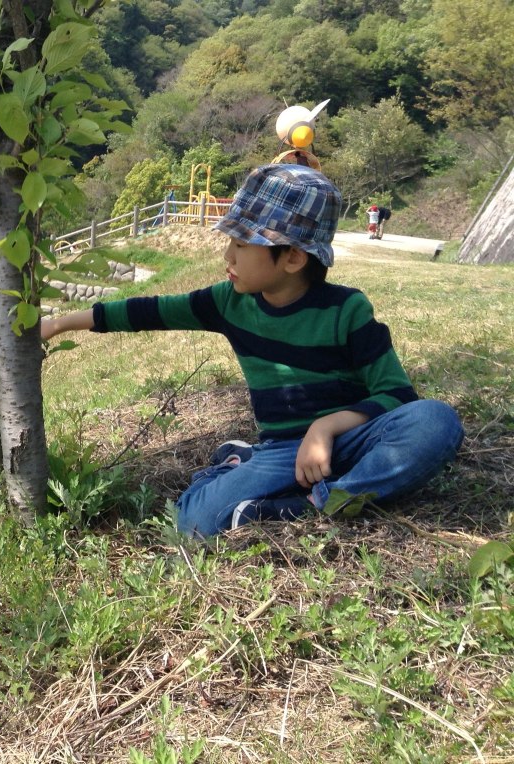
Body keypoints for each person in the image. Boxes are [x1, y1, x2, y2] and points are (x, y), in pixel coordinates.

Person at [41, 164, 464, 538]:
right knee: (191, 523)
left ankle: (317, 503)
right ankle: (246, 468)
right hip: (281, 452)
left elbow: (398, 395)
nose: (228, 255)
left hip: (351, 441)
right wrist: (59, 324)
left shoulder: (347, 310)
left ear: (293, 258)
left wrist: (325, 428)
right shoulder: (229, 302)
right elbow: (147, 311)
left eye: (242, 245)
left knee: (435, 421)